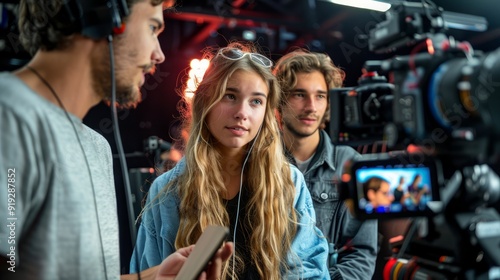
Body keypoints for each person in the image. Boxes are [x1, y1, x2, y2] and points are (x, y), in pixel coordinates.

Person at [0, 0, 232, 279]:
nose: (159, 55)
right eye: (152, 27)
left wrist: (150, 278)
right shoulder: (9, 115)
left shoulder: (97, 147)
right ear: (103, 17)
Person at [130, 43, 330, 279]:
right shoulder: (166, 190)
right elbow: (148, 273)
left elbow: (309, 270)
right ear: (206, 103)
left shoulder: (289, 181)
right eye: (230, 96)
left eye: (256, 101)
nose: (242, 113)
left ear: (266, 112)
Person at [274, 49, 378, 280]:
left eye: (320, 95)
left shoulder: (350, 164)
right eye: (299, 94)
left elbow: (361, 254)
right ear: (279, 100)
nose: (311, 106)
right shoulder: (260, 162)